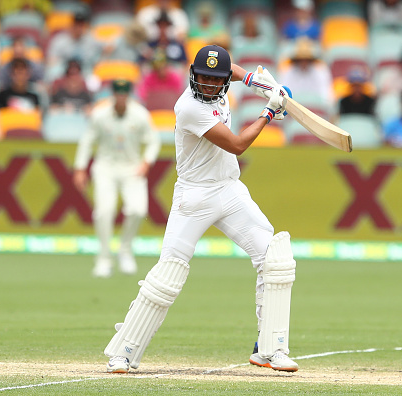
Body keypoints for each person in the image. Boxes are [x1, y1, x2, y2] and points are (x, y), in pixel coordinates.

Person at [103, 45, 299, 374]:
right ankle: (124, 351)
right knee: (168, 274)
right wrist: (269, 112)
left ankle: (270, 349)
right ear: (193, 76)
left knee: (275, 258)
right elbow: (237, 144)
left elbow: (234, 70)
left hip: (230, 189)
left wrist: (259, 82)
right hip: (194, 198)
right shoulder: (189, 108)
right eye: (203, 78)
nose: (209, 85)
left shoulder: (222, 79)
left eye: (215, 79)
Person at [73, 79, 161, 278]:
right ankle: (104, 258)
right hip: (105, 168)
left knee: (138, 210)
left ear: (128, 95)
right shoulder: (99, 114)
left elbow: (153, 141)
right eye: (117, 94)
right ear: (112, 94)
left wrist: (147, 162)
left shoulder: (140, 115)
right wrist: (80, 168)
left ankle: (125, 250)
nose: (121, 97)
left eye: (124, 94)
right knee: (104, 211)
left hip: (132, 168)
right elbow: (87, 141)